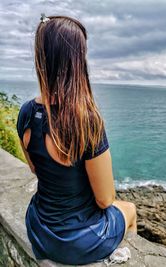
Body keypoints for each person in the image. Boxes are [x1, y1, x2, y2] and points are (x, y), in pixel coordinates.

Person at [16, 14, 137, 265]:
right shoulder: (86, 120)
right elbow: (105, 200)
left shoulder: (26, 112)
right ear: (77, 60)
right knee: (130, 209)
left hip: (39, 228)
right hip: (77, 242)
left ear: (42, 57)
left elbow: (37, 169)